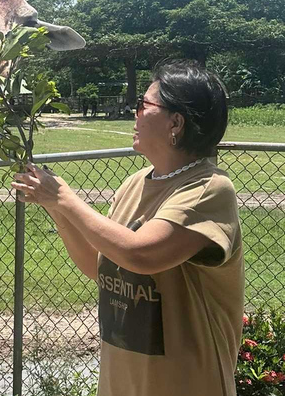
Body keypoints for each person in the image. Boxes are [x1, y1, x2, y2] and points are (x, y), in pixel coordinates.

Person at [12, 60, 243, 396]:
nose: (133, 112)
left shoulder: (207, 189)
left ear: (175, 123)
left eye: (142, 105)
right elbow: (100, 265)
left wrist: (64, 198)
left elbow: (141, 254)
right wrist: (54, 207)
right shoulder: (134, 184)